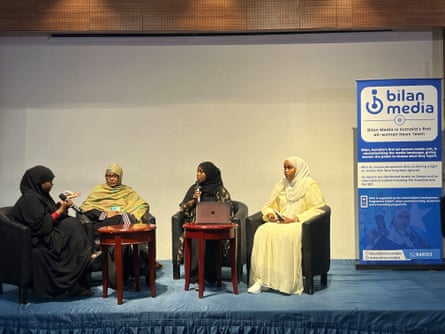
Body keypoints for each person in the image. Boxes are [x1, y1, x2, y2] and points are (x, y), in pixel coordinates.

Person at [11, 165, 95, 299]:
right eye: (48, 181)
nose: (51, 184)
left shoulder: (40, 196)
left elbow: (49, 214)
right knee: (72, 228)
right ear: (38, 182)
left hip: (47, 233)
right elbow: (42, 226)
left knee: (73, 225)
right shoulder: (29, 199)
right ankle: (79, 269)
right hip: (38, 239)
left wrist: (62, 205)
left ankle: (81, 267)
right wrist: (61, 209)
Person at [248, 156, 325, 295]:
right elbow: (269, 205)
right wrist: (271, 214)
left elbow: (318, 208)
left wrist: (296, 218)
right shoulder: (281, 184)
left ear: (299, 169)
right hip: (282, 221)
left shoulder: (310, 185)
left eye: (289, 167)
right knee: (263, 231)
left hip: (299, 223)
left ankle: (284, 282)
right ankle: (262, 280)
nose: (286, 171)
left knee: (286, 235)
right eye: (284, 168)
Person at [80, 164, 152, 288]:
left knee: (125, 217)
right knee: (125, 218)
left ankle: (126, 270)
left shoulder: (127, 191)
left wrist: (127, 212)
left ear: (120, 177)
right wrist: (105, 213)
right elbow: (85, 208)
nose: (111, 179)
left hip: (122, 224)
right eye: (108, 176)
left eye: (114, 176)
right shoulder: (99, 190)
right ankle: (142, 261)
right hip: (104, 225)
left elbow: (142, 205)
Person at [178, 161, 232, 283]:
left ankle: (211, 276)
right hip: (196, 226)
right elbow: (182, 208)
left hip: (216, 228)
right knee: (197, 239)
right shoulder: (194, 188)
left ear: (209, 174)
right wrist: (193, 200)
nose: (198, 174)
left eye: (201, 172)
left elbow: (228, 209)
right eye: (197, 171)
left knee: (212, 240)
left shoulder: (220, 191)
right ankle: (195, 276)